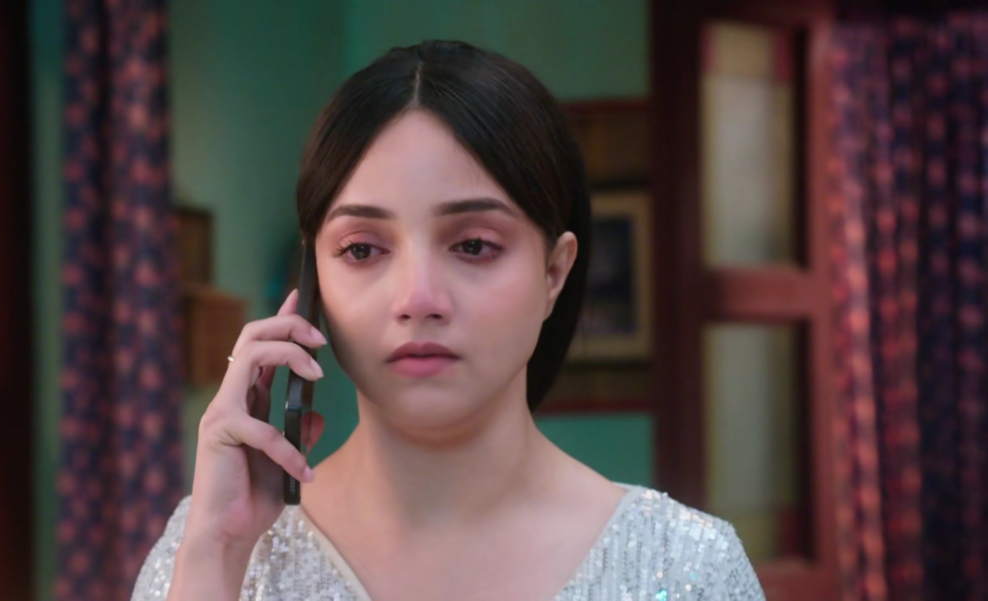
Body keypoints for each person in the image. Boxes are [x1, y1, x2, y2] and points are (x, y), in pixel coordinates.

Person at [131, 40, 765, 601]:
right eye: (362, 250)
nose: (418, 298)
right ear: (313, 280)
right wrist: (216, 552)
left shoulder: (690, 568)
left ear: (554, 272)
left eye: (473, 245)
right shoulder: (210, 551)